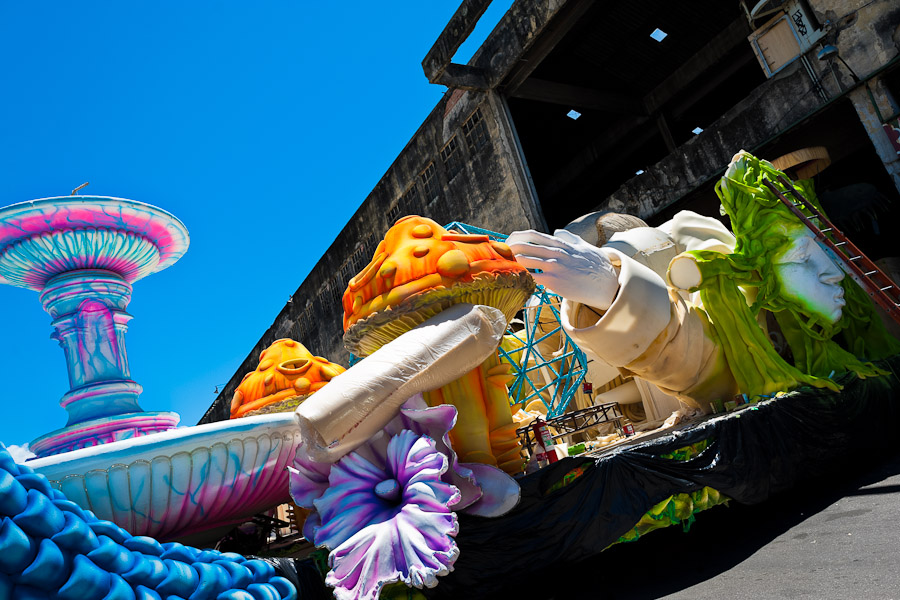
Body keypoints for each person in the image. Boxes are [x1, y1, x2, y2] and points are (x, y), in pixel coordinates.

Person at [507, 151, 899, 411]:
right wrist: (611, 293)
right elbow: (706, 364)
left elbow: (711, 349)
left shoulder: (702, 244)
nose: (832, 271)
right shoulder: (698, 268)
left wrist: (610, 290)